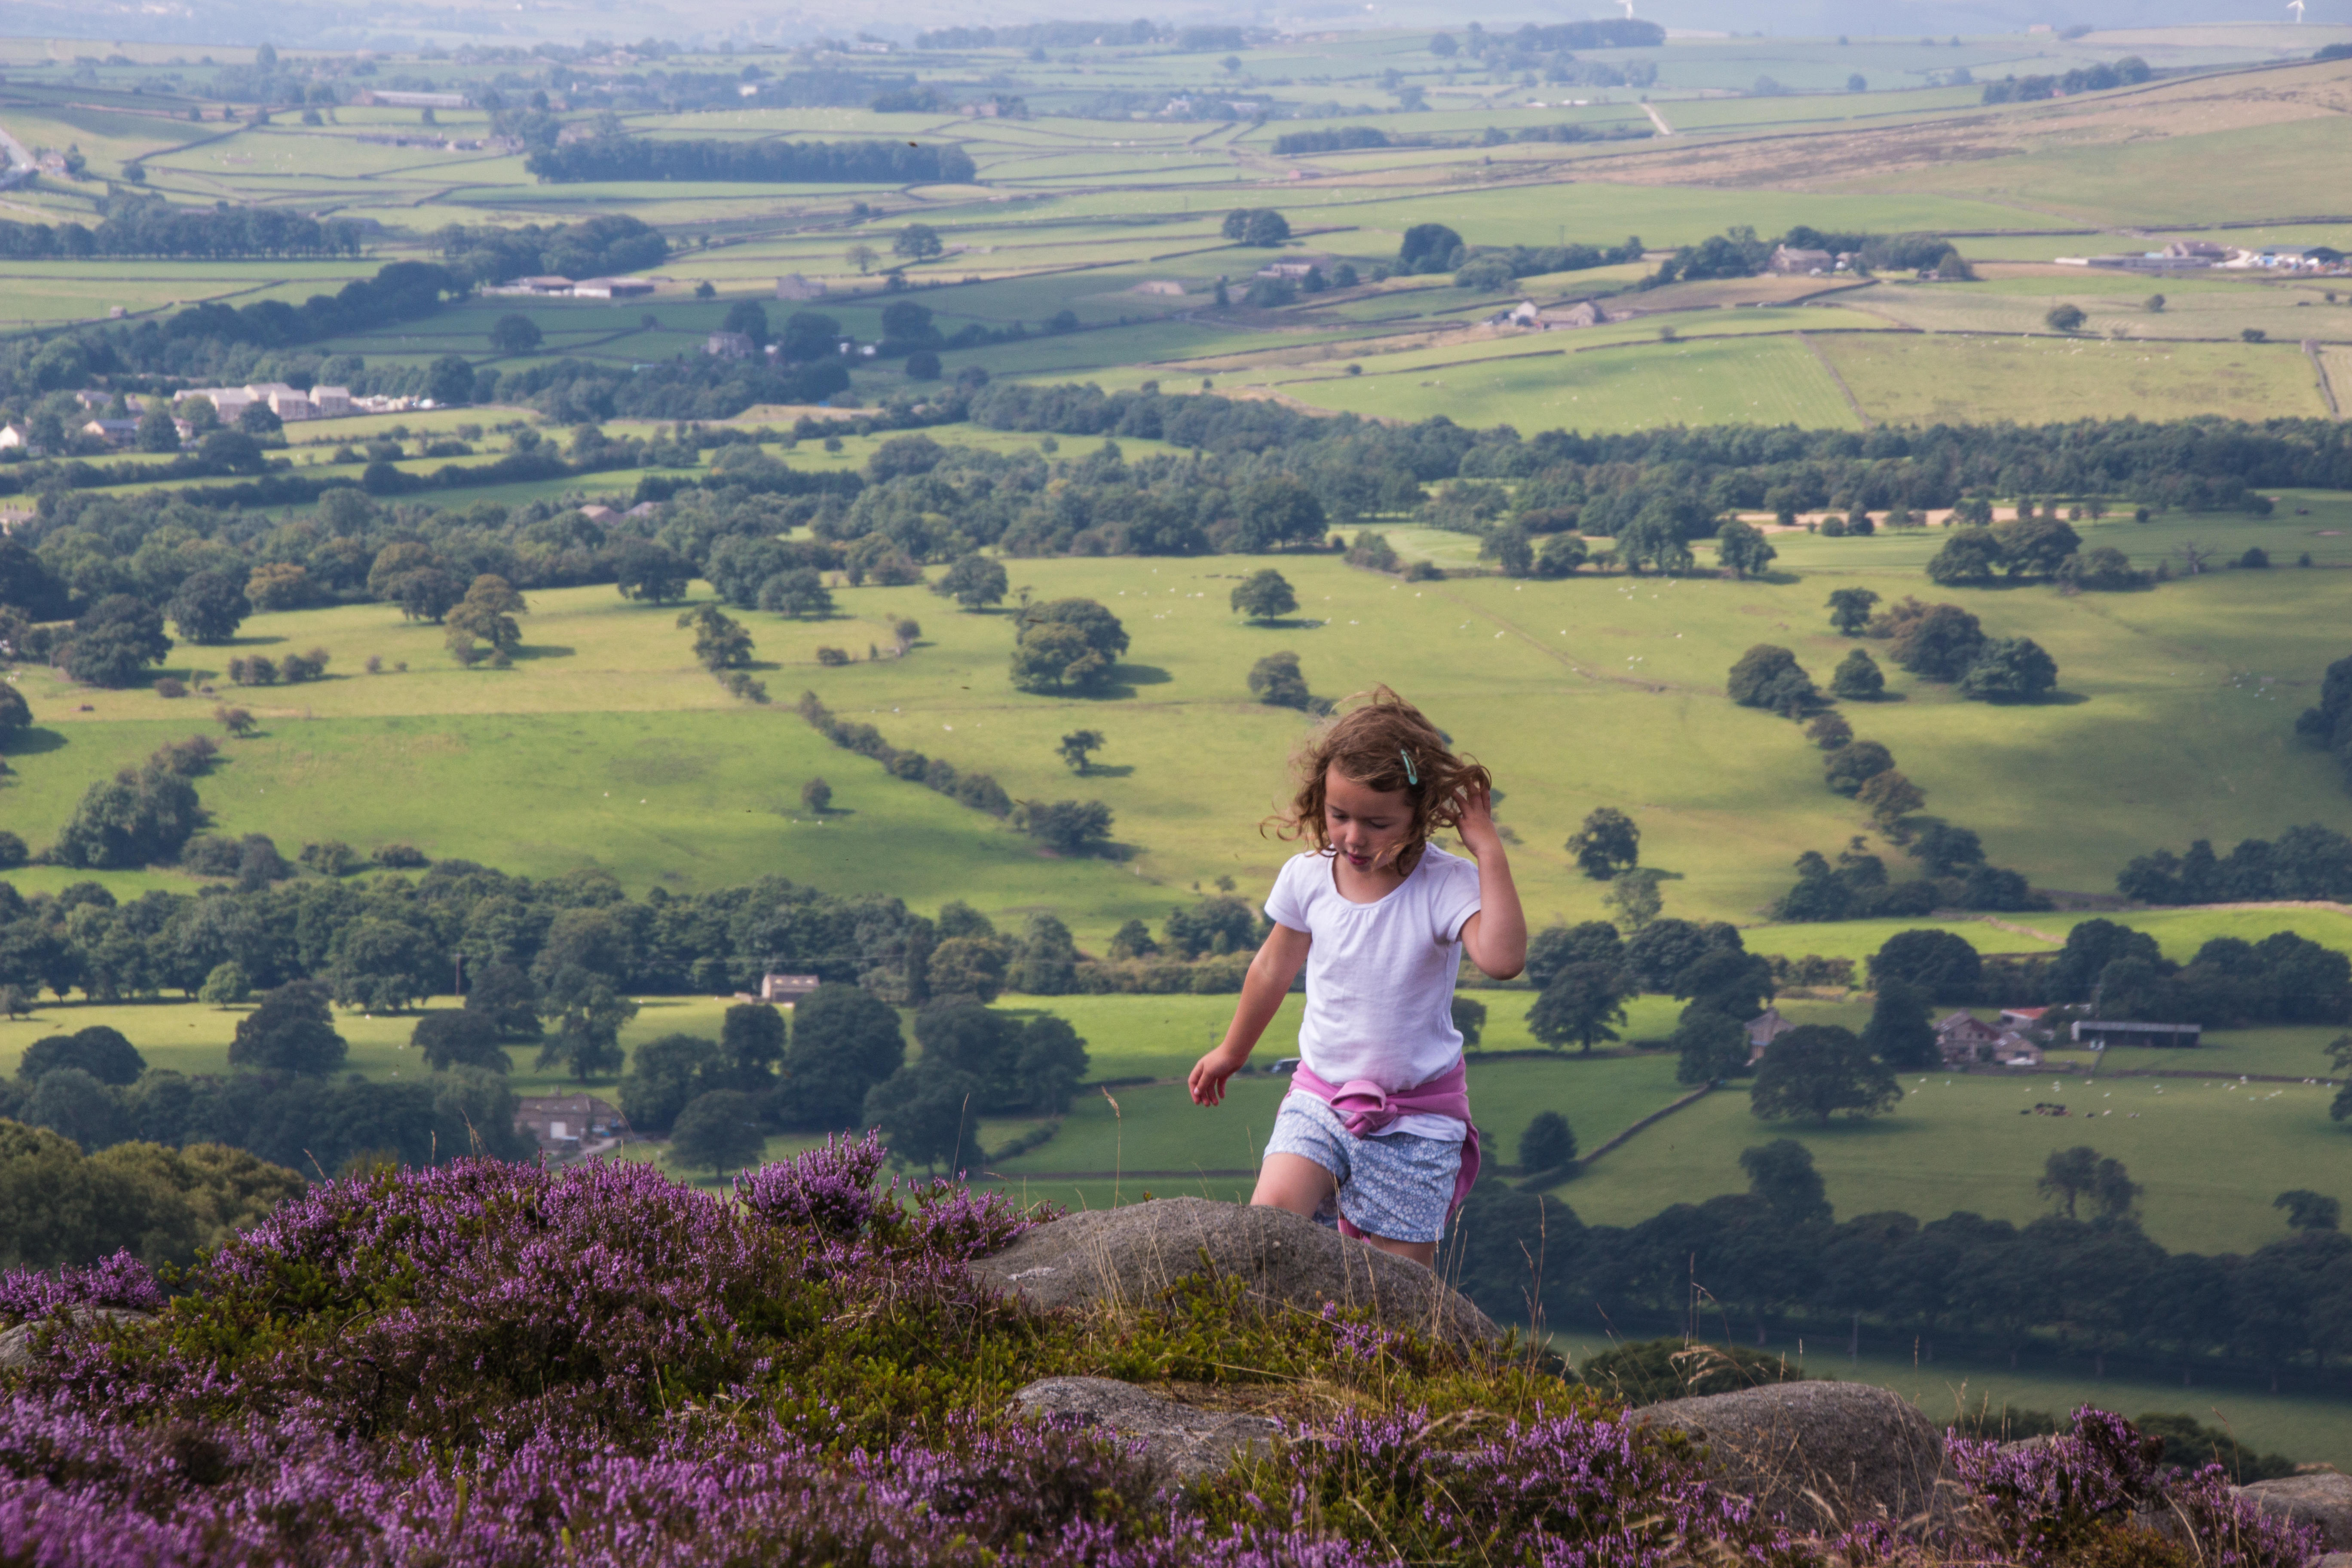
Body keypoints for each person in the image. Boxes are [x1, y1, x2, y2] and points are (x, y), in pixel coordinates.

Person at [1187, 686, 1526, 1267]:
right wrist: (1231, 1050)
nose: (1352, 837)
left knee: (1397, 1295)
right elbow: (1272, 968)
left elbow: (1502, 959)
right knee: (1268, 1230)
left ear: (1420, 815)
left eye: (1377, 823)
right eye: (1339, 815)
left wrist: (1488, 850)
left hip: (1418, 1122)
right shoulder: (1308, 878)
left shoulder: (1446, 884)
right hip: (1319, 1097)